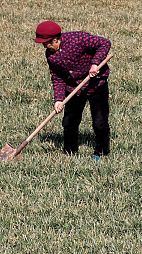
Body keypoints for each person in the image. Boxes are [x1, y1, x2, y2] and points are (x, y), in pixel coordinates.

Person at [33, 20, 111, 158]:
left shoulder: (78, 39)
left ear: (56, 39)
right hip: (74, 88)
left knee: (99, 122)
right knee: (69, 122)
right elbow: (57, 77)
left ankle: (101, 151)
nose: (45, 46)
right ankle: (70, 153)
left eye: (47, 42)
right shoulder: (50, 55)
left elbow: (104, 43)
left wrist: (94, 63)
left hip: (96, 84)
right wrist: (58, 99)